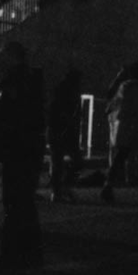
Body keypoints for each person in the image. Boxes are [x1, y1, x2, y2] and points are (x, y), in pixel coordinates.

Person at [0, 39, 47, 274]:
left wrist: (1, 145)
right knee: (23, 205)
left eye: (4, 55)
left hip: (18, 150)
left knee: (15, 205)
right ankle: (30, 256)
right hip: (25, 149)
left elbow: (12, 117)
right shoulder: (28, 79)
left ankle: (12, 257)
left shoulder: (18, 80)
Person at [100, 58, 138, 202]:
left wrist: (119, 77)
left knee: (120, 157)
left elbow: (112, 98)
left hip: (127, 125)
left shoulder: (125, 86)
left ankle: (108, 186)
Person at [47, 66, 87, 202]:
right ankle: (62, 188)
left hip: (59, 130)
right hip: (63, 130)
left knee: (58, 161)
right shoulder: (68, 92)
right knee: (73, 160)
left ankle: (58, 190)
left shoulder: (62, 90)